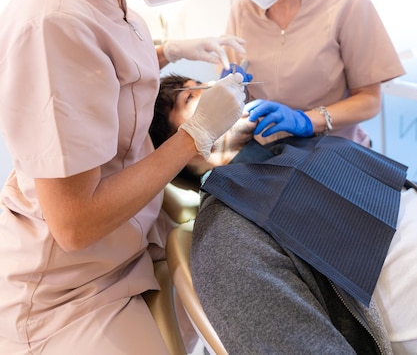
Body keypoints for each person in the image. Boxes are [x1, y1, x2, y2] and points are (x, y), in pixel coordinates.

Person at [0, 0, 247, 355]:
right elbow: (74, 223)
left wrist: (171, 50)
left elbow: (104, 77)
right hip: (68, 285)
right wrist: (196, 135)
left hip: (130, 246)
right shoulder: (54, 22)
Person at [149, 76, 417, 354]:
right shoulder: (226, 234)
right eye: (191, 97)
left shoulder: (290, 149)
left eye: (206, 82)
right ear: (177, 148)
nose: (217, 89)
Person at [208, 0, 405, 147]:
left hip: (334, 152)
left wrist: (307, 120)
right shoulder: (241, 12)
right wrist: (232, 90)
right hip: (270, 154)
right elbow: (239, 87)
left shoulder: (347, 4)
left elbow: (369, 100)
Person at [149, 73, 256, 188]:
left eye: (200, 85)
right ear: (173, 140)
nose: (213, 84)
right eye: (189, 97)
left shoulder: (268, 146)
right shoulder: (222, 201)